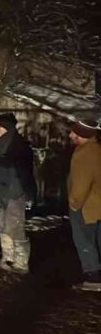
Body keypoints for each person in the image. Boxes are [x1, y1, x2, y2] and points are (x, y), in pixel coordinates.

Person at [0, 113, 36, 274]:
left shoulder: (18, 146)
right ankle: (8, 258)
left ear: (2, 128)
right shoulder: (0, 143)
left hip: (15, 192)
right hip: (3, 191)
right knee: (4, 226)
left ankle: (21, 262)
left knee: (15, 227)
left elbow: (18, 170)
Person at [67, 117, 101, 292]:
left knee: (85, 241)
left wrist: (74, 204)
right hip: (97, 207)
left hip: (86, 207)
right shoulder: (97, 149)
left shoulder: (83, 153)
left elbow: (81, 184)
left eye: (74, 132)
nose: (71, 134)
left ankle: (93, 277)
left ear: (82, 134)